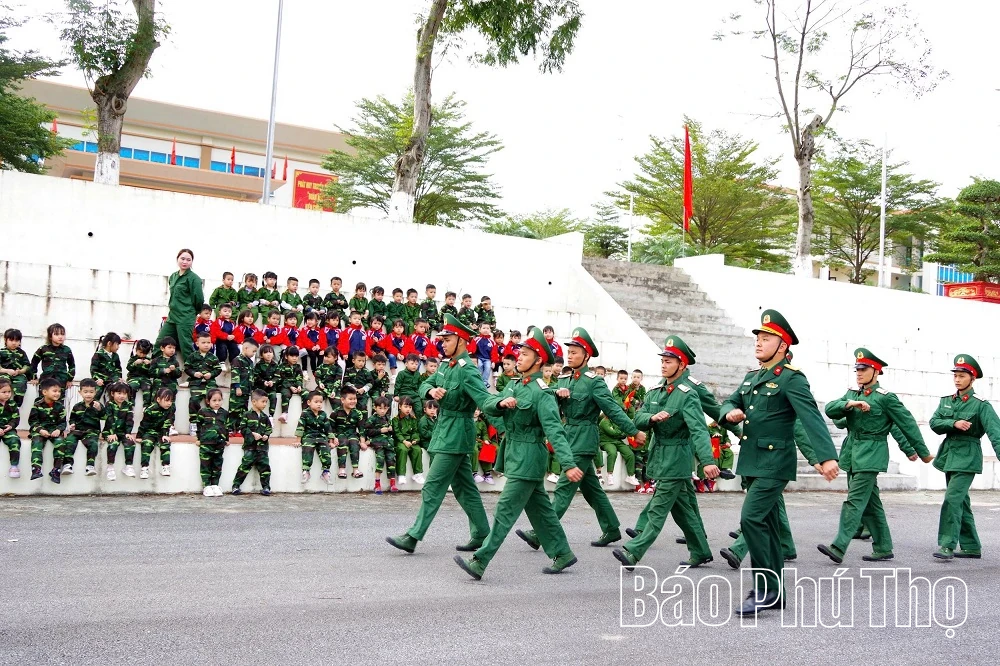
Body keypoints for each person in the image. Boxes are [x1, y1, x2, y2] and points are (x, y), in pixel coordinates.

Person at [719, 310, 839, 615]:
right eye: (758, 337)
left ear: (783, 345)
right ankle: (776, 593)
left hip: (774, 462)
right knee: (768, 527)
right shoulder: (752, 376)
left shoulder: (791, 379)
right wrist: (729, 413)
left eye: (767, 338)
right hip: (753, 463)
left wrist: (825, 457)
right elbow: (731, 401)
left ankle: (764, 590)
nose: (759, 342)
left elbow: (811, 418)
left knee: (751, 519)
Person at [454, 327, 580, 580]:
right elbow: (491, 405)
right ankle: (562, 553)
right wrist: (500, 403)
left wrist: (567, 463)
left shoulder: (542, 393)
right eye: (519, 353)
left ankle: (480, 560)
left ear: (539, 360)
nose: (519, 357)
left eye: (525, 354)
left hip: (530, 456)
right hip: (515, 453)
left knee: (505, 510)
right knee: (541, 510)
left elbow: (555, 431)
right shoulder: (514, 386)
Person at [516, 327, 645, 551]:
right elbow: (547, 399)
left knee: (565, 487)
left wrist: (633, 431)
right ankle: (612, 528)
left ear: (586, 356)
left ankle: (541, 532)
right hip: (569, 437)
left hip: (585, 439)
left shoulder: (594, 382)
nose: (570, 355)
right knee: (591, 489)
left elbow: (613, 409)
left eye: (575, 352)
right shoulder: (564, 379)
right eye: (569, 351)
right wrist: (557, 394)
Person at [386, 314, 493, 555]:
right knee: (465, 488)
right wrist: (432, 389)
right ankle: (482, 533)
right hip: (445, 431)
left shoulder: (468, 371)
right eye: (442, 339)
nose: (442, 343)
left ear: (462, 341)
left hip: (456, 436)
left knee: (432, 487)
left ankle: (413, 536)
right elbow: (423, 384)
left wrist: (501, 408)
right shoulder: (446, 365)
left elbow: (484, 400)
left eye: (447, 339)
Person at [612, 336, 718, 570]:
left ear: (681, 365)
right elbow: (638, 418)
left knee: (658, 508)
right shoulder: (655, 390)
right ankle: (700, 550)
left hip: (677, 458)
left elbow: (699, 429)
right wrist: (651, 418)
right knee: (683, 511)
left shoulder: (687, 393)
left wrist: (708, 461)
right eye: (663, 360)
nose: (664, 364)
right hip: (660, 456)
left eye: (669, 361)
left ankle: (634, 551)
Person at [818, 348, 933, 564]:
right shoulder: (853, 394)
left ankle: (838, 546)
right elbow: (831, 409)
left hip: (871, 454)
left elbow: (906, 424)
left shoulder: (886, 398)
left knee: (854, 501)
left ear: (876, 372)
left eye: (864, 369)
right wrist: (850, 404)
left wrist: (922, 452)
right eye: (857, 369)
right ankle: (883, 547)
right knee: (871, 504)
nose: (859, 373)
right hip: (852, 453)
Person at [929, 354, 1000, 560]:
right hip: (949, 455)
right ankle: (971, 546)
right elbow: (934, 423)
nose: (957, 379)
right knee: (961, 502)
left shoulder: (981, 405)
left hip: (968, 456)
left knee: (952, 499)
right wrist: (954, 423)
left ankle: (946, 545)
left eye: (962, 376)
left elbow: (995, 431)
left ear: (972, 378)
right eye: (956, 375)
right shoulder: (947, 401)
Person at [156, 249, 204, 364]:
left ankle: (194, 375)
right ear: (177, 259)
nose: (185, 262)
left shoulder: (194, 278)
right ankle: (157, 369)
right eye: (182, 259)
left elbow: (199, 299)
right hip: (172, 316)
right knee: (160, 343)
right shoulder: (173, 276)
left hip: (185, 316)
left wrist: (192, 312)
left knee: (186, 346)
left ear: (192, 262)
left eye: (188, 260)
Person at [232, 389, 273, 496]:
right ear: (254, 402)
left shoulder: (265, 417)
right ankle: (236, 486)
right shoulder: (247, 414)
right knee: (244, 467)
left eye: (266, 402)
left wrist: (266, 435)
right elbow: (242, 428)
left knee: (265, 468)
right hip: (250, 447)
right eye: (263, 401)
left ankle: (266, 487)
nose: (265, 404)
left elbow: (269, 428)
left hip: (262, 448)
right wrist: (252, 434)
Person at [29, 377, 66, 482]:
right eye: (54, 391)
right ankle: (36, 469)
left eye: (59, 391)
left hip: (54, 431)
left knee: (61, 443)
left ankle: (56, 470)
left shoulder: (60, 407)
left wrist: (59, 430)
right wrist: (40, 430)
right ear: (44, 392)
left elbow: (63, 422)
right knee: (36, 443)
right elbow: (32, 422)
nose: (57, 393)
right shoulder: (37, 405)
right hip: (41, 431)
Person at [63, 378, 104, 476]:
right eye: (85, 392)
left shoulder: (97, 405)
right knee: (69, 440)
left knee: (93, 443)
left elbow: (105, 417)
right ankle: (67, 464)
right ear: (80, 392)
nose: (88, 394)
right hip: (78, 430)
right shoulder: (77, 406)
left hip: (92, 431)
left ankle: (90, 466)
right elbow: (72, 418)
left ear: (95, 392)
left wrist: (99, 410)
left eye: (91, 392)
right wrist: (72, 425)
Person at [185, 333, 222, 436]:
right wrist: (194, 374)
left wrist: (211, 374)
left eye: (208, 342)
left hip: (210, 384)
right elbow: (187, 368)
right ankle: (194, 423)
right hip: (196, 384)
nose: (206, 345)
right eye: (203, 342)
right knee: (193, 401)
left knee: (213, 401)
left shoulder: (213, 357)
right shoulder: (192, 356)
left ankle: (212, 423)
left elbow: (218, 369)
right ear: (197, 343)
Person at [136, 387, 175, 479]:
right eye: (166, 400)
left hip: (161, 432)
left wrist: (165, 435)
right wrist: (139, 435)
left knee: (165, 444)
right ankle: (144, 468)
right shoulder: (150, 410)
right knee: (147, 444)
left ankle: (165, 466)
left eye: (171, 401)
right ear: (158, 399)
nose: (169, 403)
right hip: (149, 432)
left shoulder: (171, 409)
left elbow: (167, 423)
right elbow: (144, 424)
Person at [297, 391, 334, 485]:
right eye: (316, 402)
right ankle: (306, 471)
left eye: (321, 402)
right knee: (308, 448)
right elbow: (300, 427)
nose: (319, 404)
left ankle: (326, 472)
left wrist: (331, 441)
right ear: (309, 402)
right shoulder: (305, 413)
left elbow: (328, 428)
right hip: (309, 436)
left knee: (326, 449)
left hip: (321, 436)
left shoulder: (323, 414)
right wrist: (298, 440)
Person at [198, 388, 229, 497]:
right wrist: (198, 439)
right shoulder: (203, 412)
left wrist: (227, 439)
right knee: (205, 465)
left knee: (217, 465)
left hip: (219, 444)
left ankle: (215, 485)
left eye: (219, 400)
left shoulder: (224, 413)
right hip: (206, 444)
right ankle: (206, 486)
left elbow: (227, 427)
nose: (217, 403)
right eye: (214, 400)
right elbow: (198, 426)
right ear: (208, 401)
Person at [102, 381, 135, 480]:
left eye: (124, 394)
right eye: (119, 393)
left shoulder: (128, 405)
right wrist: (111, 433)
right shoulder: (109, 404)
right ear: (112, 394)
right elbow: (110, 419)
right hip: (109, 431)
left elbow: (129, 420)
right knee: (113, 443)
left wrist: (128, 433)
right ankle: (110, 468)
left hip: (122, 432)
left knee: (130, 443)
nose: (122, 396)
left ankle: (128, 466)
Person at [366, 396, 397, 494]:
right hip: (378, 444)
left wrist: (391, 430)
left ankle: (392, 484)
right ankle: (377, 485)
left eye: (385, 408)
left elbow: (393, 433)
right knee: (380, 462)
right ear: (375, 407)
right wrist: (379, 431)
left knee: (391, 462)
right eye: (380, 408)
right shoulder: (372, 419)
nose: (382, 411)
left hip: (388, 444)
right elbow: (367, 431)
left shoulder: (388, 418)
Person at [332, 385, 365, 479]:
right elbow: (331, 427)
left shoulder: (358, 413)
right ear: (342, 400)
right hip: (340, 434)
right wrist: (333, 438)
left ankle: (355, 469)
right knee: (343, 442)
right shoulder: (336, 412)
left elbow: (361, 429)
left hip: (352, 434)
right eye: (350, 399)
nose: (353, 401)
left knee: (354, 443)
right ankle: (341, 469)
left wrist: (362, 442)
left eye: (355, 399)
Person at [30, 323, 75, 391]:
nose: (60, 337)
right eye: (57, 334)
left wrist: (69, 379)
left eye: (62, 334)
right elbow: (34, 362)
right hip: (46, 380)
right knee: (43, 400)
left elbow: (72, 365)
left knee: (58, 400)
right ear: (50, 336)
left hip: (61, 381)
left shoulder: (67, 350)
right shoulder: (43, 349)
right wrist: (34, 377)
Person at [228, 338, 257, 434]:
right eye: (253, 351)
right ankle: (230, 429)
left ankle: (240, 428)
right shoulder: (237, 360)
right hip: (238, 390)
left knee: (243, 410)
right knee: (234, 409)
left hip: (246, 390)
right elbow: (235, 374)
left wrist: (252, 389)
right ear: (245, 348)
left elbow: (251, 376)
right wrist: (237, 387)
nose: (254, 353)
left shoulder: (250, 362)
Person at [392, 396, 422, 484]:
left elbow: (415, 431)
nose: (408, 409)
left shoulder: (413, 419)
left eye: (410, 407)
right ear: (400, 406)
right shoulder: (396, 419)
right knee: (402, 449)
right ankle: (401, 475)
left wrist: (415, 439)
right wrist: (404, 441)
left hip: (410, 440)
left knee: (417, 450)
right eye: (405, 406)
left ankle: (418, 474)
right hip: (400, 441)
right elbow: (397, 433)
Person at [0, 329, 32, 408]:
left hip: (18, 374)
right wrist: (6, 371)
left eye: (17, 340)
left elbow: (27, 365)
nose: (14, 343)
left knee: (21, 383)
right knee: (3, 384)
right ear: (5, 340)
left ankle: (16, 406)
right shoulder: (2, 352)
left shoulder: (22, 353)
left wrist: (21, 371)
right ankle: (2, 403)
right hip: (4, 374)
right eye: (11, 340)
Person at [90, 332, 122, 403]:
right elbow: (93, 369)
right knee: (96, 393)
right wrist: (97, 379)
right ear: (109, 343)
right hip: (101, 380)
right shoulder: (98, 355)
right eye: (117, 344)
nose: (118, 347)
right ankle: (92, 409)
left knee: (116, 393)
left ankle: (112, 411)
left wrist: (119, 378)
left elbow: (118, 369)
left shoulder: (116, 356)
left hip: (112, 381)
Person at [275, 346, 304, 424]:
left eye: (296, 356)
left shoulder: (298, 367)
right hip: (285, 386)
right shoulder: (281, 367)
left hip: (295, 386)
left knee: (306, 393)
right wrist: (290, 387)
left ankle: (305, 414)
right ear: (286, 356)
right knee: (285, 394)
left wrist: (299, 386)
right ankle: (285, 413)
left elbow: (299, 377)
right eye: (292, 356)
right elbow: (281, 379)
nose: (294, 358)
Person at [0, 379, 21, 478]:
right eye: (4, 392)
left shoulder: (12, 404)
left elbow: (16, 417)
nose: (7, 394)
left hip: (8, 429)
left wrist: (11, 426)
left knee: (15, 440)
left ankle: (14, 466)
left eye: (9, 392)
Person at [126, 339, 154, 406]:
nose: (142, 355)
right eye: (140, 352)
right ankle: (131, 404)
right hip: (133, 378)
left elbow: (152, 373)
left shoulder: (149, 360)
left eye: (144, 353)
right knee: (132, 386)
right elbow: (128, 368)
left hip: (145, 378)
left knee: (148, 388)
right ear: (136, 350)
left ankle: (146, 406)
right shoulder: (133, 358)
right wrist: (135, 363)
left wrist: (150, 364)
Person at [472, 322, 497, 389]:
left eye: (487, 328)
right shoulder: (477, 339)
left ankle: (485, 382)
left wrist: (493, 361)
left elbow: (494, 352)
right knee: (479, 365)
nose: (486, 330)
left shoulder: (492, 342)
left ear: (490, 330)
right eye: (484, 328)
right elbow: (472, 349)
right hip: (479, 358)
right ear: (479, 329)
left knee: (488, 367)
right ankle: (478, 381)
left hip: (487, 359)